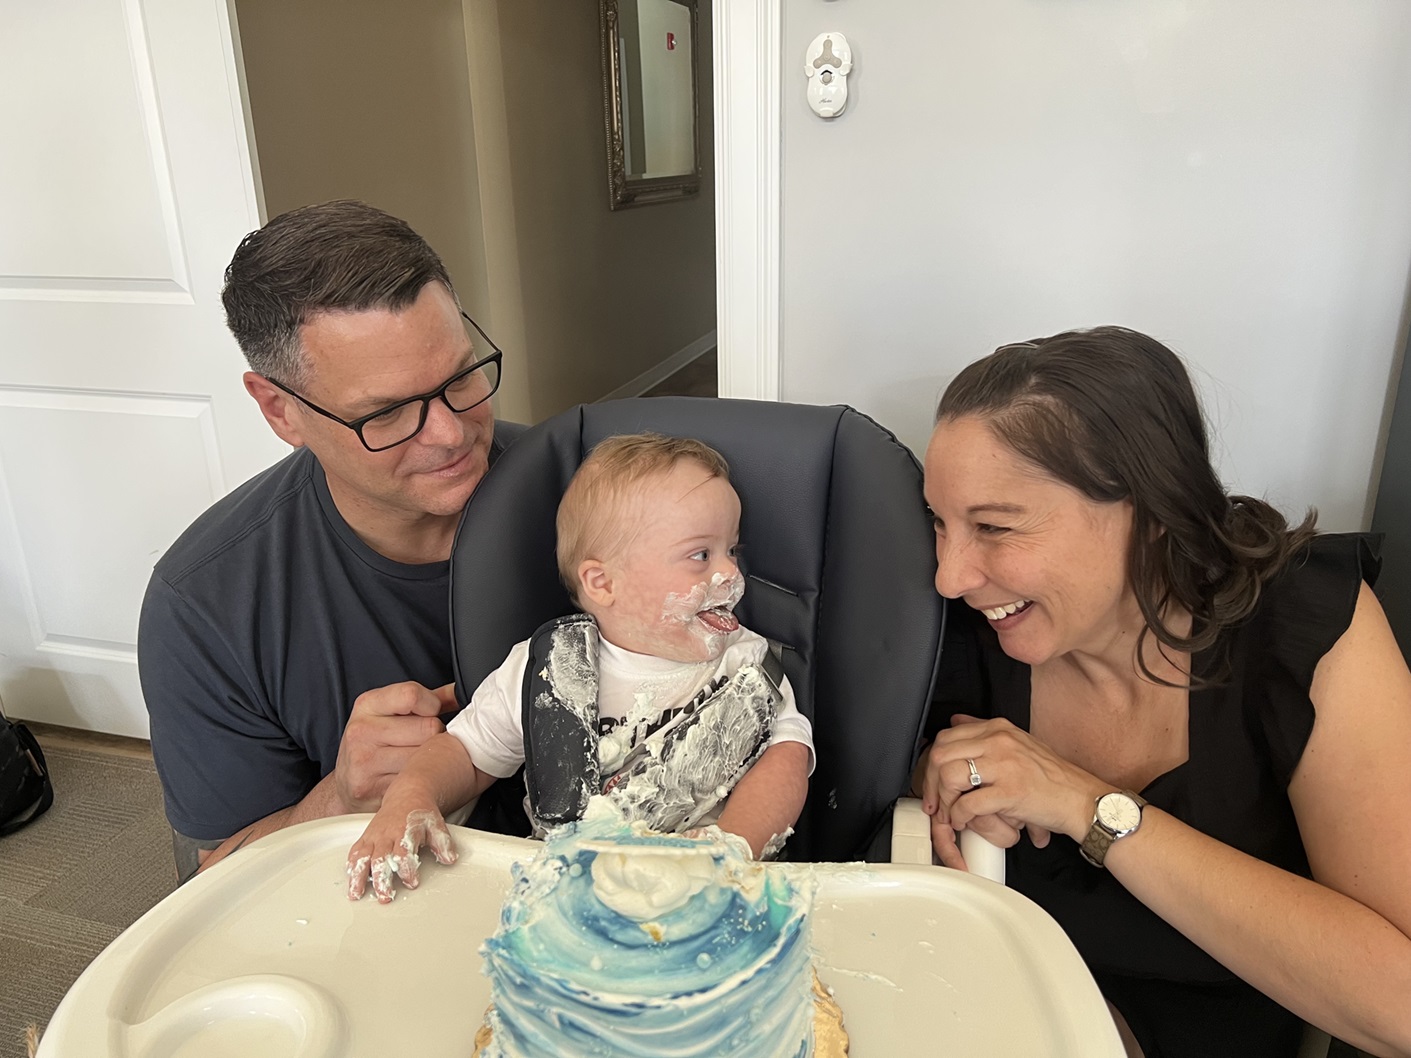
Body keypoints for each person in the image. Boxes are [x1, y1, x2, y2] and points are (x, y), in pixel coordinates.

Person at [913, 327, 1411, 1058]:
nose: (948, 576)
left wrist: (1086, 806)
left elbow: (1397, 1006)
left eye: (992, 527)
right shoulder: (958, 635)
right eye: (939, 524)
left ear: (1148, 514)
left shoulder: (1302, 626)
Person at [139, 200, 527, 884]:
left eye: (460, 377)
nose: (449, 433)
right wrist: (342, 797)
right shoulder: (208, 601)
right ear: (280, 410)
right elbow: (219, 879)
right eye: (387, 412)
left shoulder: (592, 492)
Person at [345, 433, 815, 903]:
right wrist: (412, 794)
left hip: (714, 894)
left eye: (731, 550)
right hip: (563, 891)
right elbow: (466, 754)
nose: (730, 575)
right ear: (602, 582)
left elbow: (787, 760)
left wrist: (729, 846)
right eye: (701, 556)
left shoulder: (747, 664)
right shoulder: (550, 668)